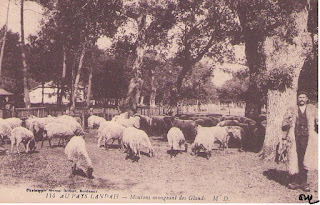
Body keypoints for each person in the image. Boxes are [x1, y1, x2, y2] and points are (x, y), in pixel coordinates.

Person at [281, 91, 318, 191]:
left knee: (305, 158)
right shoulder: (292, 109)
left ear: (307, 99)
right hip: (294, 137)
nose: (301, 99)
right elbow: (285, 124)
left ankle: (304, 182)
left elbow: (318, 122)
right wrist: (284, 138)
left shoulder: (313, 109)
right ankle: (294, 181)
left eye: (303, 97)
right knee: (294, 158)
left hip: (307, 137)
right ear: (297, 99)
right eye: (300, 97)